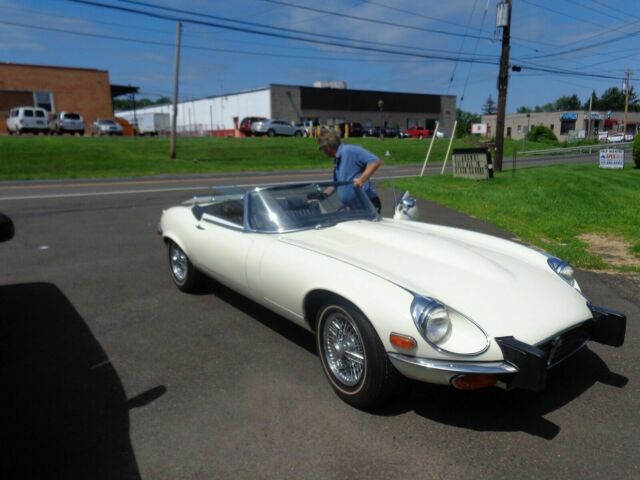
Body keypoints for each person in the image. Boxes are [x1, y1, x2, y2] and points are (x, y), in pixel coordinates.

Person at [316, 128, 383, 213]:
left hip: (367, 204)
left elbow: (375, 162)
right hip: (353, 207)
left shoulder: (350, 150)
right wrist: (321, 196)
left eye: (322, 149)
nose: (323, 152)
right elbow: (335, 184)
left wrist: (361, 180)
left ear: (328, 147)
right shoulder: (337, 160)